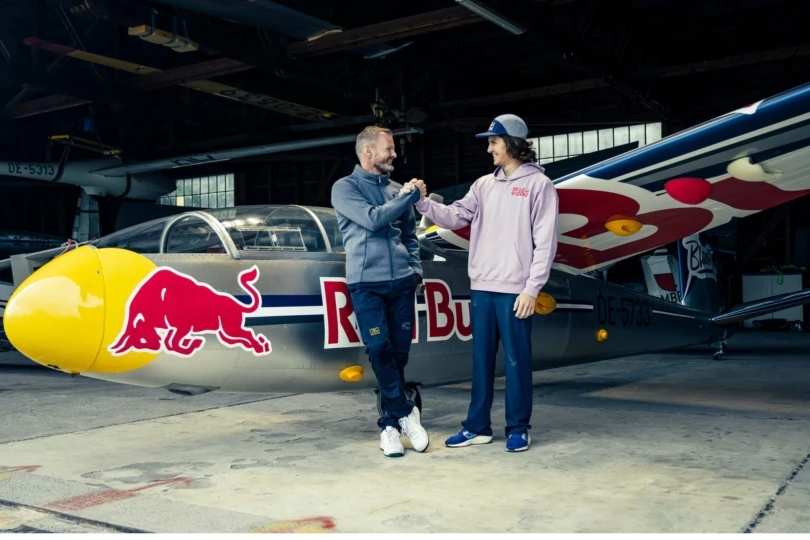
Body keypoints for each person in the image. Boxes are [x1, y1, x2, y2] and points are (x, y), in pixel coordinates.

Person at [407, 114, 559, 452]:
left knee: (517, 361)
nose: (489, 148)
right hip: (482, 287)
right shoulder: (483, 185)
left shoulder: (539, 186)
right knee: (480, 361)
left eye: (494, 141)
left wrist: (532, 288)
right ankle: (477, 426)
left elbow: (545, 242)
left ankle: (518, 427)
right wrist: (421, 202)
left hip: (516, 290)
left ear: (513, 143)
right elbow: (456, 216)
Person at [330, 125, 430, 458]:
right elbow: (373, 220)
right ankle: (404, 413)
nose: (394, 154)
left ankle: (389, 424)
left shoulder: (398, 190)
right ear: (368, 151)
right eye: (389, 148)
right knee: (378, 348)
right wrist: (408, 197)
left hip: (401, 283)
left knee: (399, 353)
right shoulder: (345, 189)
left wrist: (415, 271)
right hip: (365, 284)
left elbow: (410, 237)